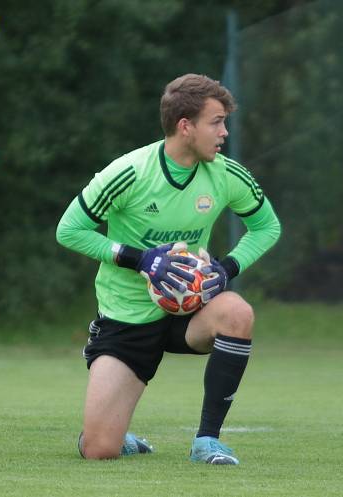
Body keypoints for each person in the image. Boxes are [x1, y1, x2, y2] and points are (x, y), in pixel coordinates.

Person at [55, 74, 281, 465]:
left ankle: (207, 440)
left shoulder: (226, 174)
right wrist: (140, 259)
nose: (224, 132)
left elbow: (267, 227)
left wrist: (227, 268)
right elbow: (69, 230)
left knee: (237, 312)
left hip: (188, 312)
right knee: (98, 450)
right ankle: (115, 433)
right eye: (216, 122)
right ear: (185, 126)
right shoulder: (130, 172)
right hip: (128, 318)